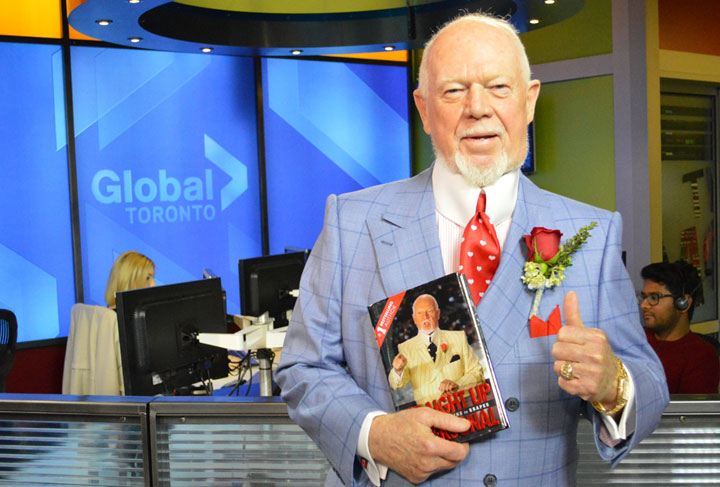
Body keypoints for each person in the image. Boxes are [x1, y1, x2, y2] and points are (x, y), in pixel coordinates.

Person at [275, 12, 668, 487]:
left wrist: (613, 385)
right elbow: (302, 367)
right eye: (454, 90)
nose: (478, 108)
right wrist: (374, 435)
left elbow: (649, 380)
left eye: (499, 87)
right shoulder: (352, 221)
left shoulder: (592, 233)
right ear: (423, 109)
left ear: (529, 100)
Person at [639, 261, 720, 394]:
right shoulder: (635, 339)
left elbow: (691, 407)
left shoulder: (702, 356)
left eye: (654, 297)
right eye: (644, 297)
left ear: (683, 303)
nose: (644, 305)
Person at [388, 294, 484, 405]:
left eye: (429, 311)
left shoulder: (458, 337)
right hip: (430, 412)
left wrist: (458, 385)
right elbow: (397, 385)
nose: (425, 317)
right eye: (420, 313)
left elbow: (477, 373)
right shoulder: (405, 348)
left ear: (438, 313)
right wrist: (397, 371)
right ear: (414, 318)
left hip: (462, 405)